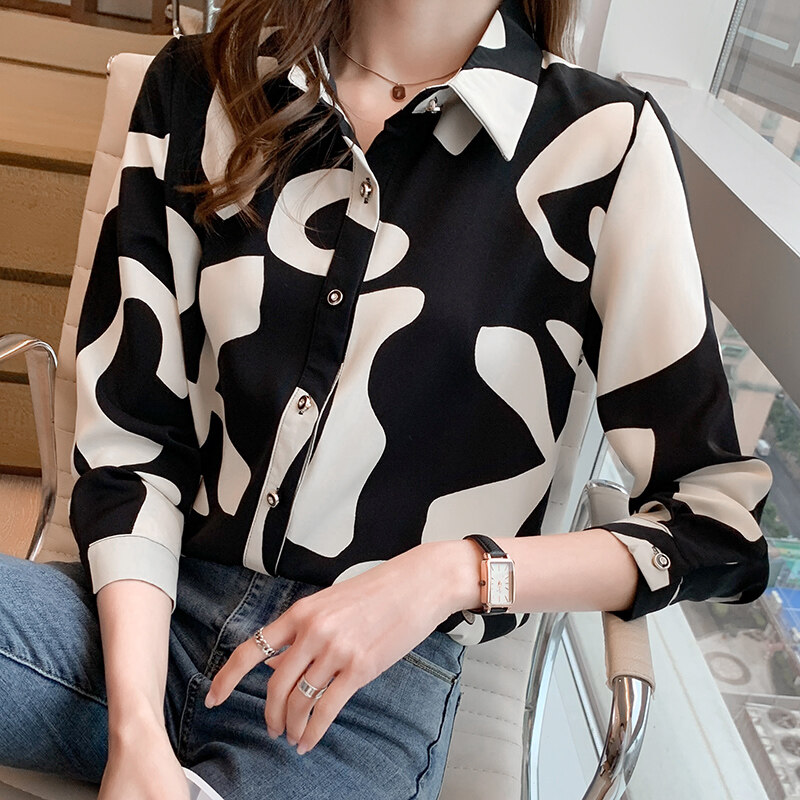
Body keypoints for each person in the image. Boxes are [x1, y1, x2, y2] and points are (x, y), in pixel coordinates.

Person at [0, 0, 773, 798]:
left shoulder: (606, 145)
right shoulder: (203, 85)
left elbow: (716, 527)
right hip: (139, 615)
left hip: (365, 694)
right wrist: (134, 730)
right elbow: (132, 437)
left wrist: (452, 575)